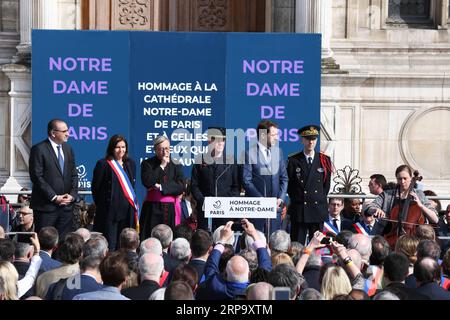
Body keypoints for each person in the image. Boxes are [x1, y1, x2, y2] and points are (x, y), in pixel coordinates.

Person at [29, 119, 78, 239]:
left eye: (68, 130)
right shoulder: (39, 149)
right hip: (46, 208)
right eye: (64, 131)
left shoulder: (68, 149)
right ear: (53, 133)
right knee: (45, 243)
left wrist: (72, 195)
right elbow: (36, 176)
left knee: (62, 245)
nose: (68, 134)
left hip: (66, 208)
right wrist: (54, 197)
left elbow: (74, 174)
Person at [366, 165, 439, 244]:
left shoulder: (419, 194)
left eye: (405, 178)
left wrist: (421, 205)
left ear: (411, 178)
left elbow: (435, 219)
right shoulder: (387, 194)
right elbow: (369, 208)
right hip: (388, 236)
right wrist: (376, 209)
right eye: (399, 179)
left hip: (413, 240)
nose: (402, 181)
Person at [91, 134, 138, 251]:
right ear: (112, 148)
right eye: (118, 147)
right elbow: (96, 188)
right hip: (110, 213)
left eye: (123, 147)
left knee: (126, 245)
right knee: (111, 245)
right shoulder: (103, 164)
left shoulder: (130, 163)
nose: (121, 150)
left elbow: (131, 186)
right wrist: (104, 205)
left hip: (127, 212)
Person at [287, 125, 332, 244]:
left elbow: (325, 186)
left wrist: (317, 198)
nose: (311, 142)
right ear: (302, 140)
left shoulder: (324, 159)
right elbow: (290, 186)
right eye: (308, 139)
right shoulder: (293, 160)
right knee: (297, 244)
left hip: (317, 209)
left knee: (317, 245)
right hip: (300, 209)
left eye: (313, 139)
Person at [242, 120, 288, 234]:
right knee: (255, 244)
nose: (276, 138)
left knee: (274, 245)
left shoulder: (279, 152)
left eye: (277, 135)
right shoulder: (249, 153)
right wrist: (261, 200)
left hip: (275, 208)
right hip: (256, 208)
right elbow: (246, 180)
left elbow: (284, 178)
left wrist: (281, 198)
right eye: (273, 135)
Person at [191, 127, 240, 231]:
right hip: (205, 210)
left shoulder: (231, 161)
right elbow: (194, 185)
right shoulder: (200, 160)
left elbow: (236, 187)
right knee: (204, 240)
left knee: (223, 241)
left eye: (223, 140)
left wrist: (228, 203)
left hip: (225, 211)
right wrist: (203, 201)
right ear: (209, 141)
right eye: (217, 140)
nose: (220, 143)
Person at [140, 136, 185, 240]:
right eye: (161, 149)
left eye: (167, 148)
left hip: (170, 209)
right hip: (152, 208)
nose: (165, 152)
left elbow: (181, 186)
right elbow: (148, 182)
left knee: (168, 239)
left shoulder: (176, 164)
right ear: (155, 149)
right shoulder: (147, 164)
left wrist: (161, 187)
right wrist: (162, 166)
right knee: (150, 238)